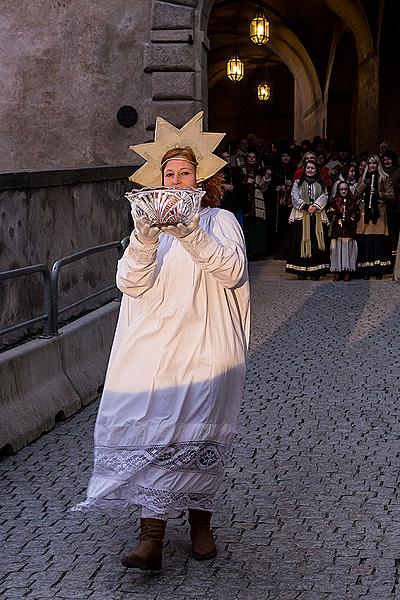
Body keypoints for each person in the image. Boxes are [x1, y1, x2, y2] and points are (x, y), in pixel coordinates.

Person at [72, 112, 250, 571]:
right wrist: (146, 240)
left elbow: (232, 271)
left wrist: (190, 236)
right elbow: (129, 284)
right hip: (156, 348)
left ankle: (200, 524)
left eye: (185, 172)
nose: (175, 180)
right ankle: (150, 534)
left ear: (201, 177)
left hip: (206, 347)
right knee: (159, 430)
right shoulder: (145, 228)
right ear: (159, 179)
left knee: (196, 431)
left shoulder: (219, 220)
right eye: (168, 174)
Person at [286, 160, 330, 280]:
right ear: (304, 170)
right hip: (301, 216)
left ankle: (315, 271)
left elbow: (325, 196)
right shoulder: (297, 183)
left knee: (316, 242)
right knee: (301, 241)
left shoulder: (321, 183)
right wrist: (306, 206)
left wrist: (315, 206)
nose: (310, 170)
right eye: (308, 168)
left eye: (313, 168)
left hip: (317, 215)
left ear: (316, 170)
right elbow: (294, 196)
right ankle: (301, 271)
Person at [354, 154, 394, 279]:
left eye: (374, 163)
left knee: (378, 241)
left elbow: (391, 195)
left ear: (378, 165)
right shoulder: (363, 177)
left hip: (379, 214)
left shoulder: (384, 177)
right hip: (364, 213)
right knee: (365, 241)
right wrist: (364, 184)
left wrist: (379, 194)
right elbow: (355, 195)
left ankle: (378, 270)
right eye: (370, 163)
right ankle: (366, 270)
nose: (372, 166)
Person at [328, 181, 359, 281]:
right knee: (336, 249)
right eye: (341, 189)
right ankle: (337, 270)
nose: (343, 191)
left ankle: (347, 270)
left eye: (345, 189)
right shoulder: (334, 201)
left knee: (348, 250)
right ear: (338, 190)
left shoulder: (352, 201)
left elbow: (356, 214)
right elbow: (330, 212)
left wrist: (350, 218)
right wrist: (337, 215)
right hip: (337, 229)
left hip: (349, 230)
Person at [242, 151, 270, 260]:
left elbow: (263, 187)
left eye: (254, 156)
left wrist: (266, 177)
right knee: (248, 226)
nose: (252, 158)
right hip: (246, 201)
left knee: (257, 225)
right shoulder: (242, 170)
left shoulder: (259, 170)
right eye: (249, 156)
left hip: (257, 200)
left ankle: (256, 252)